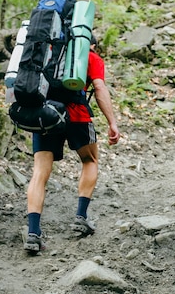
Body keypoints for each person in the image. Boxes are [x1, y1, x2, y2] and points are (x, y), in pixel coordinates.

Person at [24, 35, 120, 253]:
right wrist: (112, 122)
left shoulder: (48, 52)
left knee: (39, 172)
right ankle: (81, 217)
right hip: (77, 116)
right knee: (90, 159)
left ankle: (33, 233)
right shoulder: (90, 56)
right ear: (91, 43)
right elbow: (99, 88)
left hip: (45, 115)